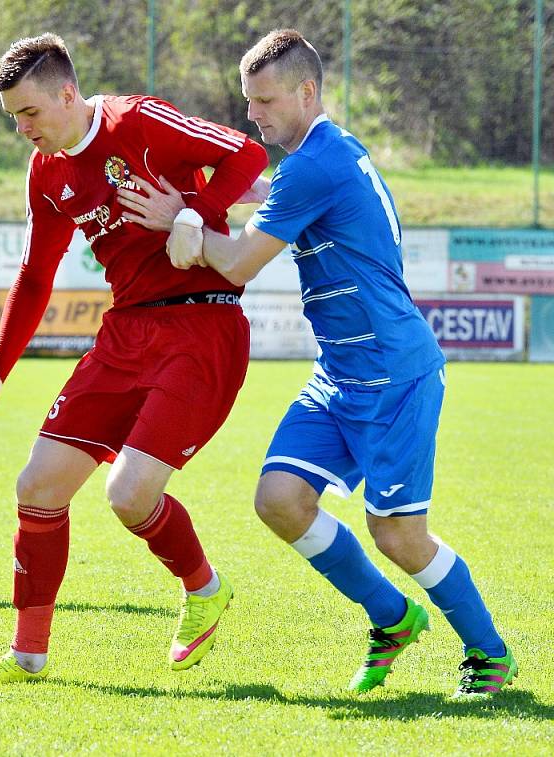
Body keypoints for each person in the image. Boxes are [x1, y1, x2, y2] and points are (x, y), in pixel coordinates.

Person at [129, 29, 516, 700]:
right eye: (249, 102)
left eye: (266, 101)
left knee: (397, 532)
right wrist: (194, 213)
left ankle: (490, 654)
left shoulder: (316, 164)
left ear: (307, 93)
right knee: (279, 499)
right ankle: (392, 617)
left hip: (395, 373)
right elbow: (258, 209)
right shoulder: (323, 155)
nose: (255, 115)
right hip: (339, 374)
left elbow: (242, 261)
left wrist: (179, 223)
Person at [0, 33, 268, 684]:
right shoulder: (45, 170)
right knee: (37, 485)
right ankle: (28, 655)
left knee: (127, 493)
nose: (22, 129)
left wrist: (198, 214)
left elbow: (245, 153)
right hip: (126, 332)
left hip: (202, 323)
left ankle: (204, 587)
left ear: (67, 95)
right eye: (13, 117)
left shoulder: (139, 121)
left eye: (30, 113)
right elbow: (36, 275)